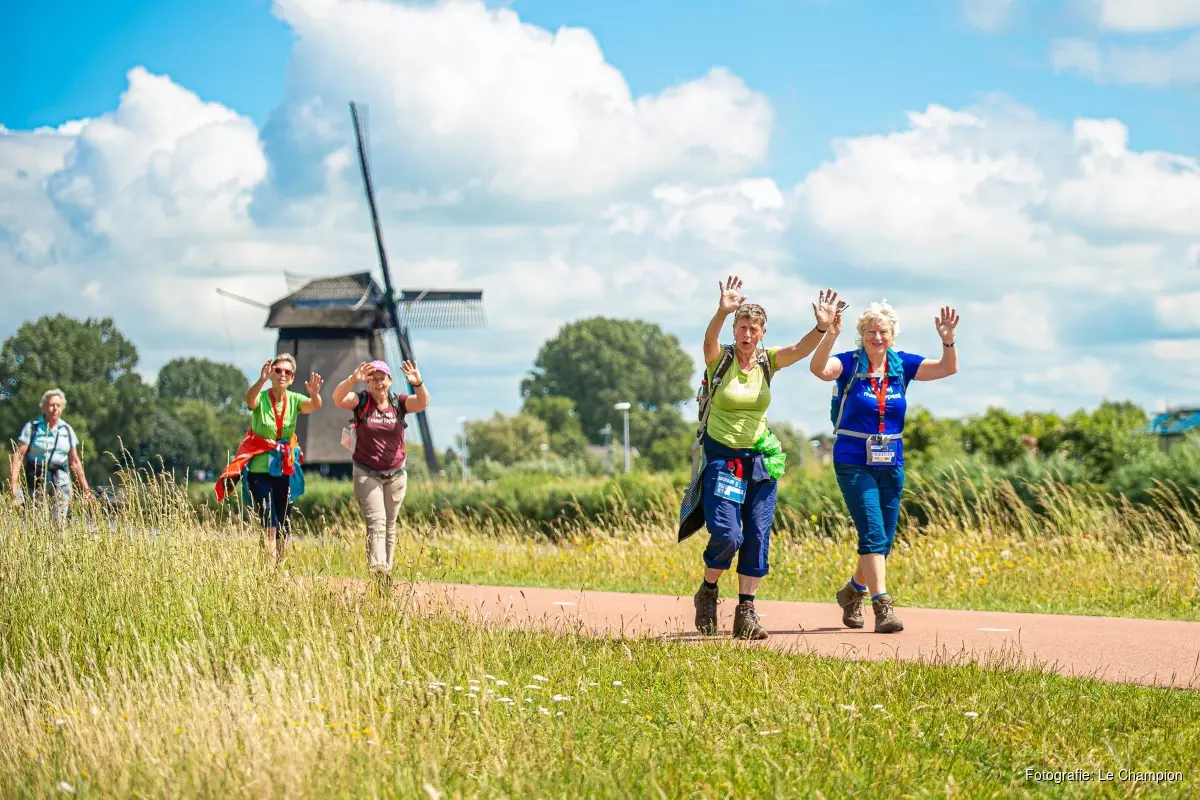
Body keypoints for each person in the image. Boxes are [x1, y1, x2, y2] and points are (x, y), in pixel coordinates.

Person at [680, 275, 843, 640]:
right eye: (742, 327)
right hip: (723, 459)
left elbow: (800, 350)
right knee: (728, 534)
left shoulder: (768, 362)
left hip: (761, 459)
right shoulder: (721, 360)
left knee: (756, 533)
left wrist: (821, 327)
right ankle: (708, 591)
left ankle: (746, 611)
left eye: (754, 328)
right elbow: (708, 341)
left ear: (762, 333)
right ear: (734, 330)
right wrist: (722, 311)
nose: (747, 334)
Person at [809, 300, 959, 633]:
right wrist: (829, 333)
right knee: (873, 533)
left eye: (883, 332)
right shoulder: (849, 363)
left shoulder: (901, 365)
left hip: (891, 460)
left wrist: (948, 340)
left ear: (892, 335)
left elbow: (947, 368)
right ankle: (882, 606)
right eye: (871, 331)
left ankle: (853, 591)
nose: (877, 337)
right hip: (853, 460)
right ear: (861, 334)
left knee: (885, 540)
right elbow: (819, 369)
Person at [216, 354, 323, 562]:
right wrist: (261, 380)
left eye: (287, 372)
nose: (282, 374)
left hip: (284, 467)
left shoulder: (294, 399)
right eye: (278, 370)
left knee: (283, 520)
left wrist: (315, 394)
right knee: (269, 518)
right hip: (259, 469)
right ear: (272, 374)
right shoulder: (262, 397)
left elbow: (314, 405)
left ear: (292, 378)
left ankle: (279, 565)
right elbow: (250, 401)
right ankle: (269, 567)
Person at [332, 359, 429, 577]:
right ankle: (378, 568)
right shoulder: (362, 401)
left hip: (396, 473)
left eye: (382, 379)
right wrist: (352, 379)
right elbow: (338, 398)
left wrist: (417, 382)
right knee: (377, 521)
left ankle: (386, 572)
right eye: (374, 379)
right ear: (368, 382)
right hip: (367, 472)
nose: (379, 383)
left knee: (389, 525)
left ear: (390, 380)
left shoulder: (398, 402)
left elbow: (422, 403)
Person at [8, 389, 92, 521]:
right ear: (44, 407)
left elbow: (75, 461)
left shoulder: (67, 430)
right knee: (35, 520)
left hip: (60, 480)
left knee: (59, 521)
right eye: (52, 405)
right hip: (36, 480)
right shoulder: (32, 427)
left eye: (58, 405)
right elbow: (19, 456)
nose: (55, 408)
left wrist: (86, 490)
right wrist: (13, 483)